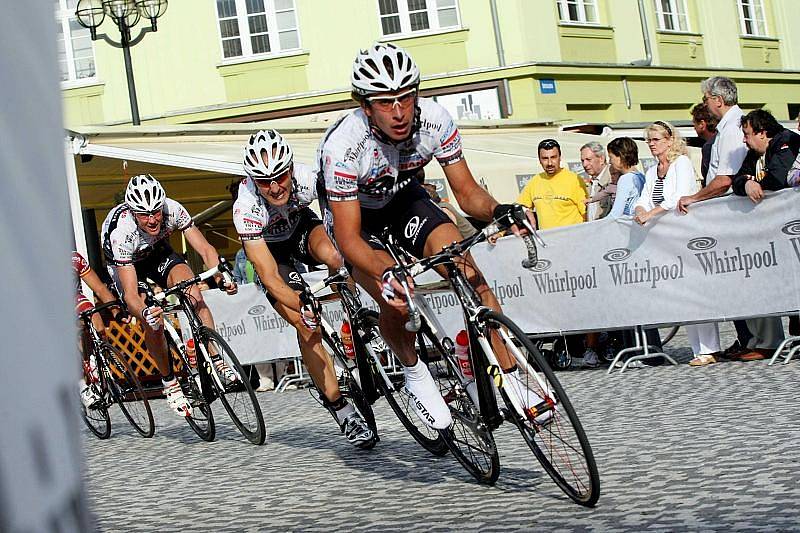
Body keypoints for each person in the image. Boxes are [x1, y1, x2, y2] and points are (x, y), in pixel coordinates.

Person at [317, 43, 541, 431]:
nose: (400, 111)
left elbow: (467, 192)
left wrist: (499, 210)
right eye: (386, 102)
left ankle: (514, 379)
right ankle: (415, 373)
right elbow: (350, 239)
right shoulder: (343, 146)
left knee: (465, 268)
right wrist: (385, 273)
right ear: (365, 106)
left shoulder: (435, 120)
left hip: (406, 200)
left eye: (406, 97)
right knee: (398, 299)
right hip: (358, 220)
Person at [233, 129, 376, 448]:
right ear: (252, 181)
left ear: (291, 169)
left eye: (280, 177)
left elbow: (340, 222)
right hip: (274, 252)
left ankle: (360, 317)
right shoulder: (246, 207)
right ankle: (342, 410)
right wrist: (301, 304)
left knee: (337, 255)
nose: (274, 187)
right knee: (306, 326)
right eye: (263, 181)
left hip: (301, 229)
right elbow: (269, 276)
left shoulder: (309, 178)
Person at [101, 174, 238, 418]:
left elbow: (205, 249)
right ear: (133, 213)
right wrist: (143, 312)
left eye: (156, 212)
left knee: (193, 291)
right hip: (128, 265)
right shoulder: (121, 233)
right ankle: (170, 382)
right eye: (145, 215)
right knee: (151, 320)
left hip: (159, 253)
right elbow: (131, 294)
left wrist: (219, 276)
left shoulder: (173, 209)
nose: (153, 219)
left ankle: (216, 360)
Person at [634, 121, 721, 365]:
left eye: (656, 140)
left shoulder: (681, 163)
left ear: (670, 140)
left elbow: (678, 197)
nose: (652, 144)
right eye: (649, 140)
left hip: (686, 233)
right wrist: (641, 210)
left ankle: (709, 348)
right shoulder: (652, 171)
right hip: (665, 240)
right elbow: (644, 198)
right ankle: (698, 349)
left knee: (696, 289)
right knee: (683, 293)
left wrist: (651, 214)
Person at [726, 109, 799, 360]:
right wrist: (746, 182)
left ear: (762, 132)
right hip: (768, 232)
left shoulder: (786, 141)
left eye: (747, 134)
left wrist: (756, 182)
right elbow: (737, 180)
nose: (744, 140)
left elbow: (779, 178)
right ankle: (765, 342)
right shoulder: (754, 153)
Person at [678, 76, 748, 213]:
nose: (705, 104)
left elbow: (725, 180)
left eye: (706, 99)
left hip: (730, 208)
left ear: (718, 100)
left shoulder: (731, 129)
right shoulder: (728, 126)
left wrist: (694, 198)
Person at [73, 250, 128, 408]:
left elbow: (100, 289)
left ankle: (98, 365)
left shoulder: (74, 258)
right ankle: (82, 387)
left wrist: (116, 311)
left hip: (73, 296)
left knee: (93, 315)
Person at [517, 139, 588, 229]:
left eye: (553, 157)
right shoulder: (535, 181)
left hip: (572, 238)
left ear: (560, 157)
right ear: (539, 160)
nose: (550, 163)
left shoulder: (575, 180)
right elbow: (519, 207)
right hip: (547, 240)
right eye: (545, 158)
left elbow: (587, 214)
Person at [605, 137, 645, 218]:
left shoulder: (625, 179)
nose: (609, 162)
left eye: (611, 157)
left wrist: (595, 227)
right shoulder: (641, 176)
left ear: (621, 156)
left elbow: (615, 214)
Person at [580, 141, 614, 220]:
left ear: (601, 159)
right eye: (582, 160)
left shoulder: (613, 179)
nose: (584, 164)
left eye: (588, 159)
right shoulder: (589, 183)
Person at [689, 102, 719, 184]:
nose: (694, 127)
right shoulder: (721, 140)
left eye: (694, 123)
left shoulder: (710, 146)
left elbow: (709, 178)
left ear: (702, 124)